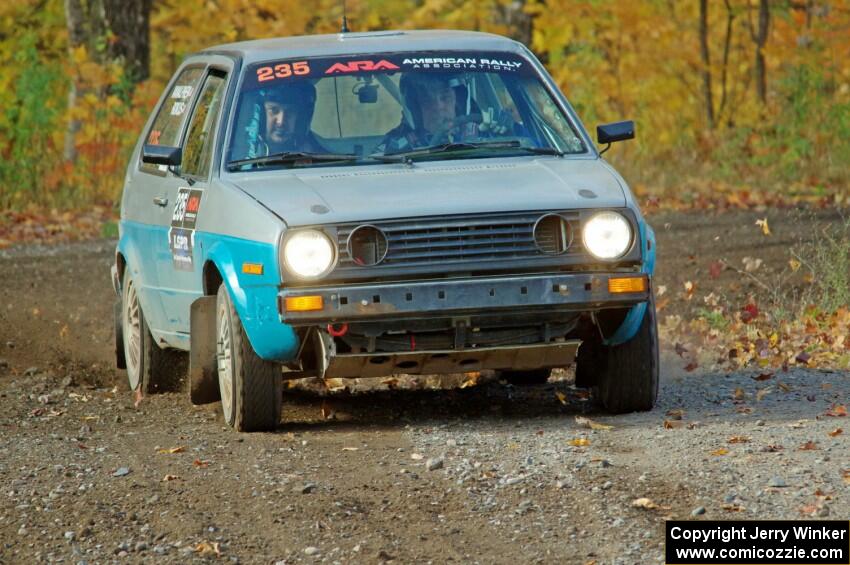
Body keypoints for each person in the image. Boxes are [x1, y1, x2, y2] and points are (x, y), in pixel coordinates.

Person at [379, 72, 476, 153]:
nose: (439, 107)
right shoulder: (394, 144)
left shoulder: (481, 135)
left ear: (457, 101)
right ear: (414, 108)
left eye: (445, 98)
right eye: (428, 100)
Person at [257, 81, 327, 154]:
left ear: (300, 118)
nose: (281, 122)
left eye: (290, 112)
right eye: (274, 110)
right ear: (262, 114)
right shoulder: (247, 155)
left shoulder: (321, 155)